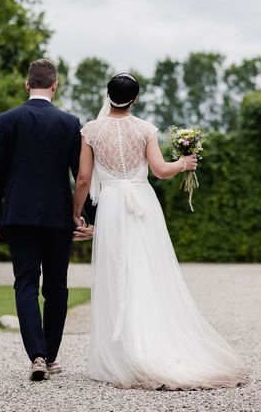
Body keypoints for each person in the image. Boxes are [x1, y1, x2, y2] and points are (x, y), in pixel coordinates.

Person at [72, 73, 248, 390]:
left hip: (112, 204)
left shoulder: (91, 130)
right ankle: (154, 345)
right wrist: (184, 163)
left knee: (116, 273)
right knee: (146, 271)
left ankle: (124, 352)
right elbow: (160, 171)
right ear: (135, 99)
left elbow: (83, 180)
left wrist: (75, 213)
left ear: (107, 95)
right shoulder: (144, 129)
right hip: (142, 203)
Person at [0, 59, 94, 381]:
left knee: (26, 284)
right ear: (55, 86)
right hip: (58, 216)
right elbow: (81, 175)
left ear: (26, 84)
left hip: (18, 215)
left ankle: (37, 354)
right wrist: (82, 215)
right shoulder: (69, 122)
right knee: (57, 286)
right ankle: (52, 356)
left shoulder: (8, 120)